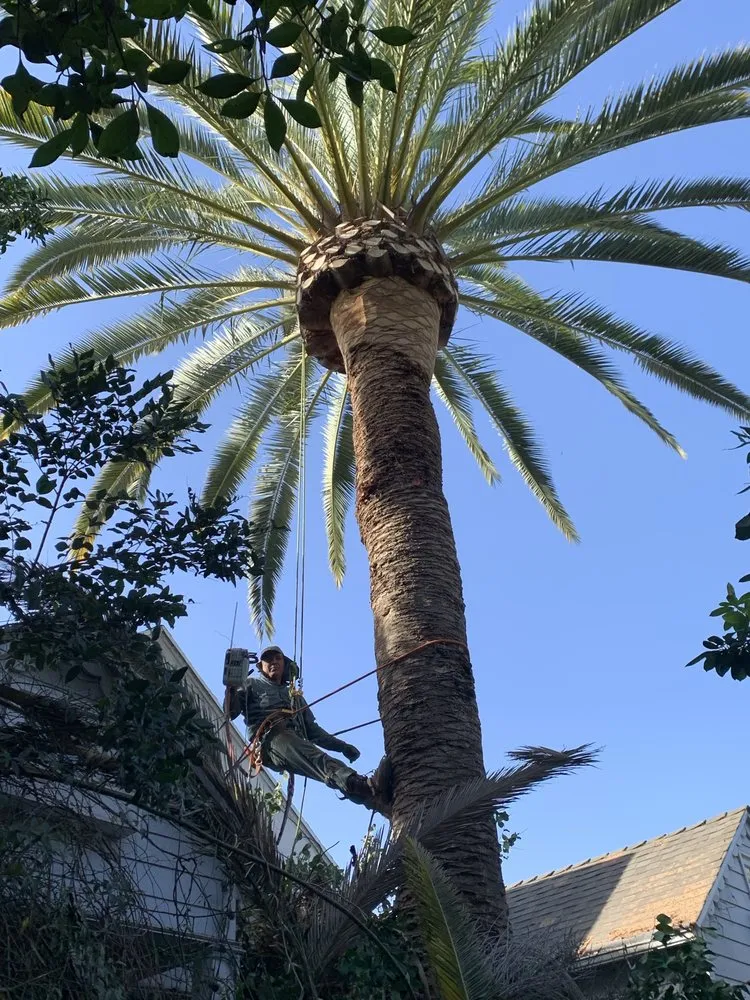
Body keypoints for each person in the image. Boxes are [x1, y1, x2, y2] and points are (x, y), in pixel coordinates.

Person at [226, 645, 388, 810]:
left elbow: (313, 731)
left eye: (278, 658)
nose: (273, 662)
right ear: (260, 666)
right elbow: (230, 712)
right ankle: (364, 785)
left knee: (319, 766)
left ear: (285, 664)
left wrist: (342, 747)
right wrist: (232, 687)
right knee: (317, 759)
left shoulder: (294, 697)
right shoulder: (250, 684)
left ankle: (372, 799)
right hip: (270, 739)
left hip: (291, 739)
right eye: (268, 659)